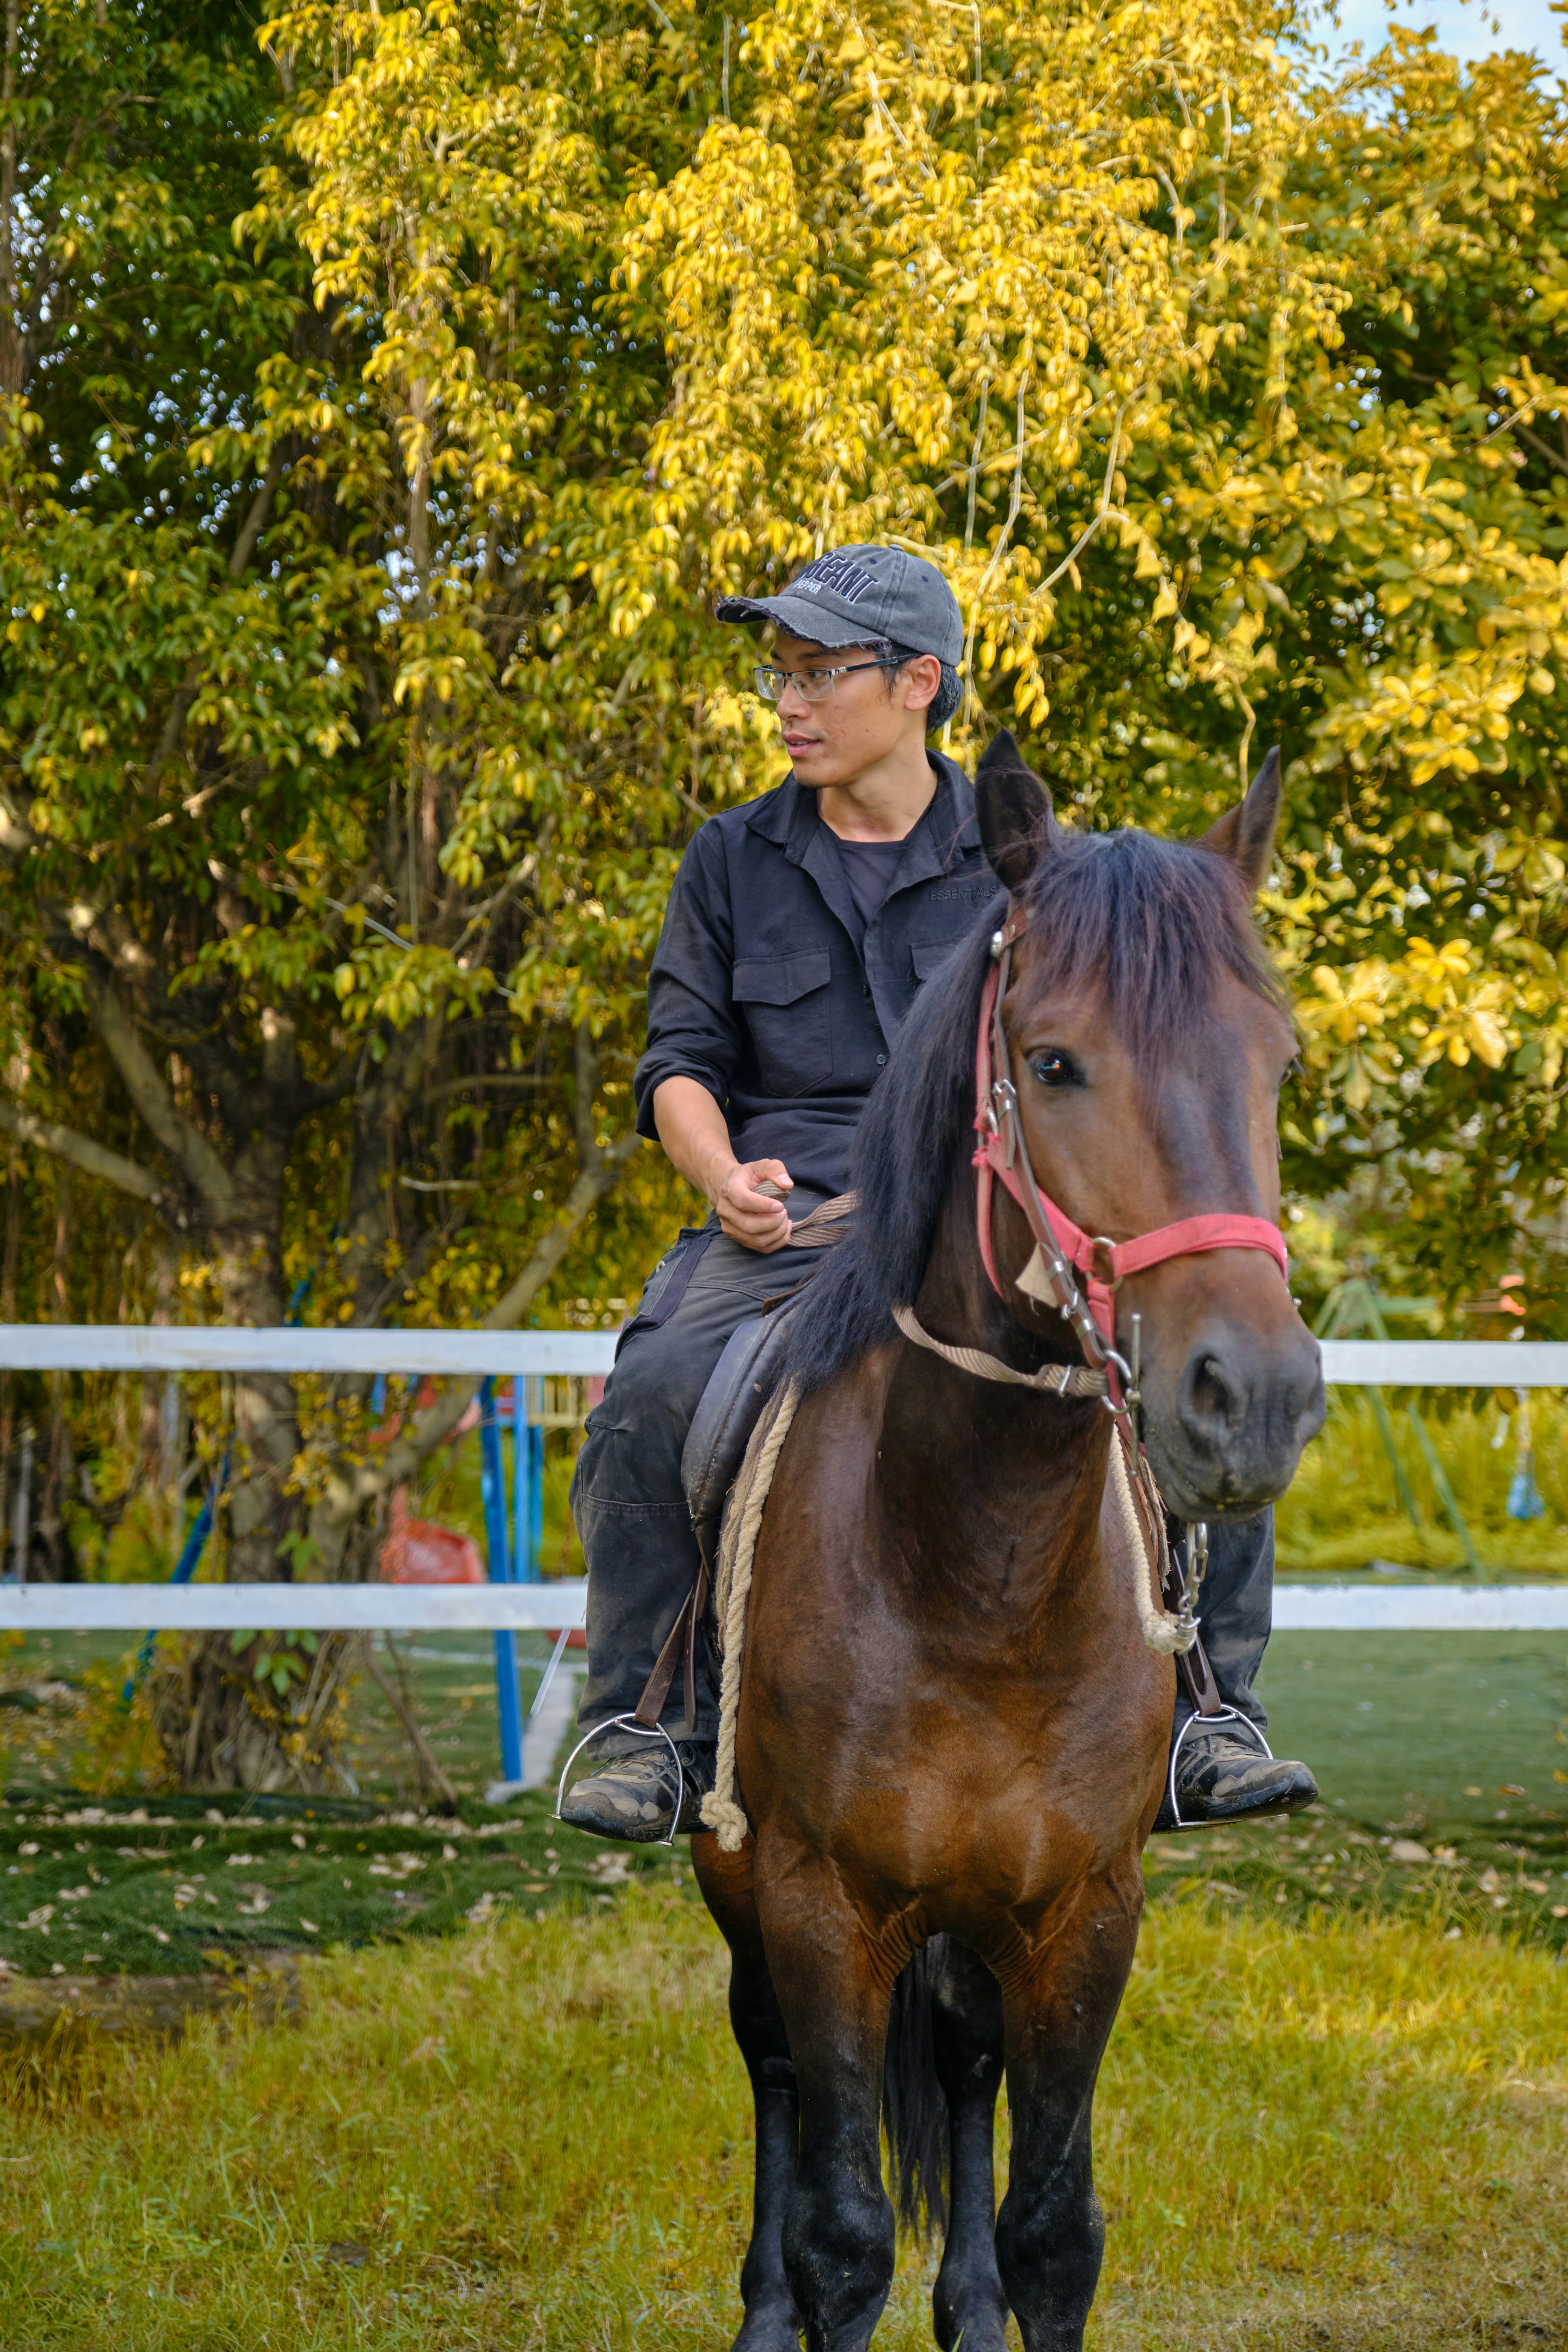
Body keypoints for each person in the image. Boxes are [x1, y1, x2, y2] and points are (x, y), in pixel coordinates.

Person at [563, 543, 1317, 1842]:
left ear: (920, 682)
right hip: (789, 1221)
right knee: (649, 1396)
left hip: (978, 1229)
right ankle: (648, 1723)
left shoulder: (1032, 866)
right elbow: (678, 1065)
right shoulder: (730, 859)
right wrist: (718, 1174)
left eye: (819, 674)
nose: (788, 703)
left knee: (1190, 1369)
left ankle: (1208, 1711)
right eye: (777, 675)